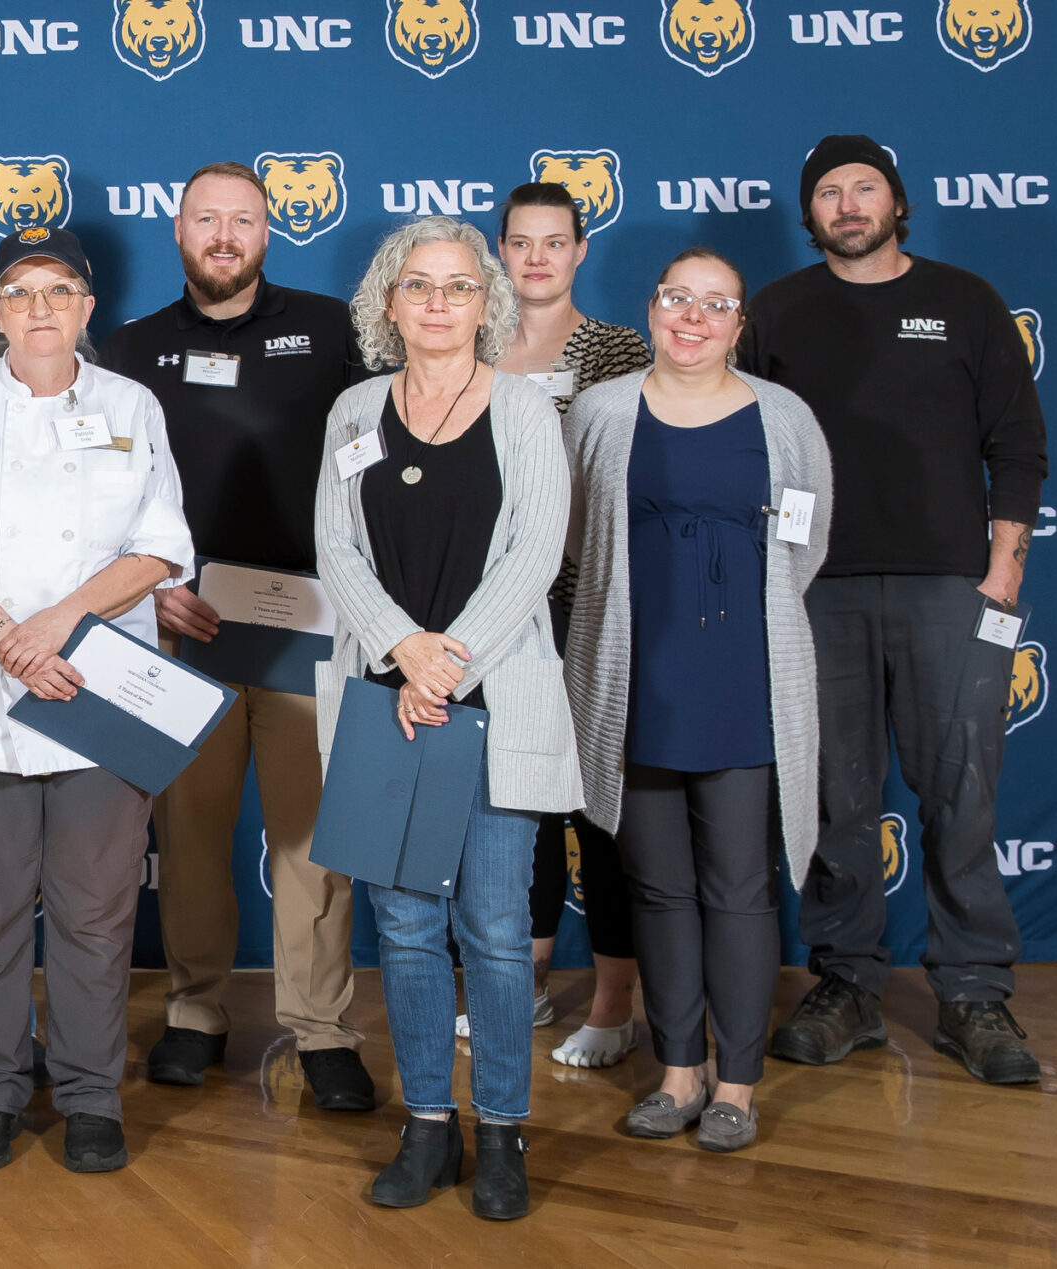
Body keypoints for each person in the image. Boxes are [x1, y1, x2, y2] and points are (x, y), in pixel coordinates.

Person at [743, 136, 1047, 1087]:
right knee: (838, 797)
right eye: (828, 192)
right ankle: (847, 984)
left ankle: (973, 992)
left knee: (962, 791)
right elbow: (744, 444)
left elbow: (1018, 442)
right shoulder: (777, 311)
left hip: (950, 589)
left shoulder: (966, 301)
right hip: (816, 591)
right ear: (811, 213)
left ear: (897, 201)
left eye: (863, 187)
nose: (847, 204)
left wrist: (1002, 570)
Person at [0, 227, 191, 1175]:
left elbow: (160, 546)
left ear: (86, 308)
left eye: (59, 290)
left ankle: (90, 1093)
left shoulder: (132, 404)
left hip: (99, 688)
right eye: (20, 292)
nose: (40, 308)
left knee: (95, 913)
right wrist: (7, 639)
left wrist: (59, 623)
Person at [316, 217, 577, 1221]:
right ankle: (428, 1123)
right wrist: (403, 651)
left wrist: (446, 658)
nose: (437, 302)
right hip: (390, 703)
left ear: (486, 302)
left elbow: (535, 551)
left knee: (497, 931)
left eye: (459, 286)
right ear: (387, 303)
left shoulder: (523, 407)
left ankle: (502, 1129)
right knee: (407, 926)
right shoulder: (353, 409)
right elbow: (335, 548)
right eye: (417, 285)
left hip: (491, 698)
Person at [98, 161, 376, 1104]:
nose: (224, 235)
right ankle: (195, 1010)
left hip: (310, 622)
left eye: (243, 220)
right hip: (185, 623)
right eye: (206, 219)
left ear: (268, 231)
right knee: (189, 834)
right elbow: (102, 494)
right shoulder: (131, 348)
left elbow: (379, 463)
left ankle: (323, 1029)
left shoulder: (334, 329)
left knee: (314, 838)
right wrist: (150, 588)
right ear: (177, 231)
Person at [565, 249, 833, 1153]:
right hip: (636, 677)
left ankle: (738, 1083)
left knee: (741, 886)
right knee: (658, 887)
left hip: (745, 679)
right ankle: (679, 1072)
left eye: (716, 304)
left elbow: (806, 542)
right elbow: (578, 537)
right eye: (678, 298)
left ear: (738, 323)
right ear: (652, 309)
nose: (694, 317)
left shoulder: (784, 417)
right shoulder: (602, 413)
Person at [490, 181, 652, 1068]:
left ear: (581, 250)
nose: (538, 258)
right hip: (499, 607)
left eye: (555, 242)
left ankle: (615, 1002)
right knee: (521, 795)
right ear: (501, 251)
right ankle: (527, 979)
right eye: (522, 242)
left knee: (595, 804)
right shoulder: (476, 344)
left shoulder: (617, 348)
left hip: (588, 600)